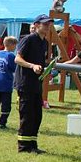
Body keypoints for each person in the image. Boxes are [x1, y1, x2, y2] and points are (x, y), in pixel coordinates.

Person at [14, 14, 52, 153]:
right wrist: (32, 66)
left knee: (37, 115)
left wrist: (45, 69)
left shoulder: (44, 42)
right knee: (27, 115)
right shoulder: (28, 39)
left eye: (49, 24)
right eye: (45, 24)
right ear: (36, 25)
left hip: (36, 83)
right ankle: (24, 146)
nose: (47, 26)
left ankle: (32, 145)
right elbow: (17, 59)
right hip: (25, 83)